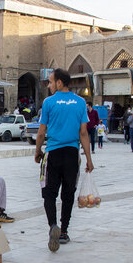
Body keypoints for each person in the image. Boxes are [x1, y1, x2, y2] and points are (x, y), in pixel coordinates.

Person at [34, 68, 93, 252]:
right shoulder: (80, 102)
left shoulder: (49, 102)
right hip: (71, 154)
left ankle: (53, 226)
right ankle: (64, 231)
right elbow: (83, 133)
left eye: (51, 82)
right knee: (68, 194)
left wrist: (38, 151)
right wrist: (89, 160)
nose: (49, 86)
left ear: (59, 83)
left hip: (53, 153)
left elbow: (41, 132)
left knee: (49, 193)